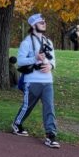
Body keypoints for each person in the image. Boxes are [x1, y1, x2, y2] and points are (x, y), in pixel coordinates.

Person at [12, 13, 60, 148]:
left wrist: (51, 65)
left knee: (49, 107)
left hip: (48, 81)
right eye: (41, 22)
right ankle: (17, 124)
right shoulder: (26, 42)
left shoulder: (48, 42)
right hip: (31, 81)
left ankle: (51, 135)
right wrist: (35, 59)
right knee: (28, 106)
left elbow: (53, 60)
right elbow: (20, 62)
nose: (44, 24)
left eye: (44, 22)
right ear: (33, 26)